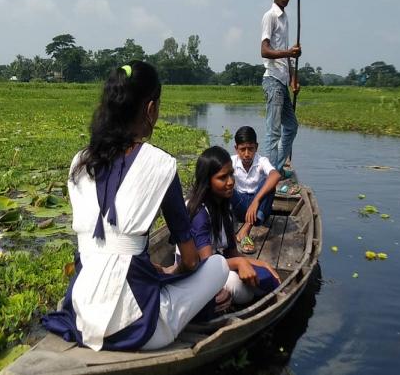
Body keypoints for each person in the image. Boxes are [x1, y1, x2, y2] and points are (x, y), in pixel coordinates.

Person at [42, 61, 229, 351]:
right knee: (218, 266)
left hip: (80, 319)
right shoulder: (160, 164)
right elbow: (191, 260)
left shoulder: (79, 162)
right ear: (150, 109)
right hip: (141, 331)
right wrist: (169, 273)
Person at [180, 146, 280, 307]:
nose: (231, 181)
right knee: (240, 289)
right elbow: (206, 263)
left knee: (265, 276)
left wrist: (257, 263)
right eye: (222, 177)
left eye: (231, 174)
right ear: (207, 182)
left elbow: (231, 251)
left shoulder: (224, 205)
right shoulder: (199, 212)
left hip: (216, 262)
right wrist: (240, 264)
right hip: (196, 270)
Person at [261, 0, 301, 173]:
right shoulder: (271, 17)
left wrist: (293, 78)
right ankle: (269, 176)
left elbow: (287, 56)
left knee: (292, 127)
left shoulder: (285, 18)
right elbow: (264, 50)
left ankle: (275, 169)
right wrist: (289, 51)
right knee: (273, 132)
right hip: (272, 81)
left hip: (282, 82)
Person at [230, 126, 282, 254]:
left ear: (256, 147)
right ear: (236, 148)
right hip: (240, 208)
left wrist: (256, 201)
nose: (247, 154)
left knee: (268, 183)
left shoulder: (262, 161)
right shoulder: (231, 161)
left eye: (250, 149)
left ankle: (245, 230)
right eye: (242, 149)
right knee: (227, 185)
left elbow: (276, 175)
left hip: (259, 212)